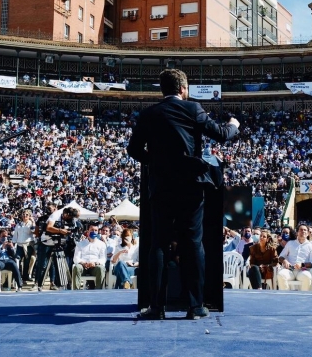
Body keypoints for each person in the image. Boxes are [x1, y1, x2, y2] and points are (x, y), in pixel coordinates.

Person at [128, 69, 239, 320]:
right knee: (192, 243)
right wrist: (233, 125)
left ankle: (156, 307)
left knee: (158, 244)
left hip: (161, 188)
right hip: (190, 186)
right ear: (183, 89)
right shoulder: (192, 109)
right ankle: (195, 305)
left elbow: (133, 149)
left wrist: (155, 164)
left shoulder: (149, 114)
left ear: (163, 90)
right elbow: (221, 135)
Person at [35, 206, 80, 291]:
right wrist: (60, 230)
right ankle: (39, 284)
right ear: (65, 214)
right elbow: (49, 227)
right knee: (43, 265)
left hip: (58, 243)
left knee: (59, 265)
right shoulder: (55, 215)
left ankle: (59, 284)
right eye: (69, 217)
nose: (69, 219)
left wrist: (68, 231)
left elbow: (70, 227)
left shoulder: (70, 219)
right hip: (46, 242)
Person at [277, 224, 312, 291]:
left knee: (307, 276)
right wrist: (285, 261)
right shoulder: (290, 243)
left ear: (307, 233)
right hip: (289, 270)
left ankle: (303, 298)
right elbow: (281, 256)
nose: (303, 231)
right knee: (281, 275)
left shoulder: (311, 246)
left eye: (305, 230)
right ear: (297, 232)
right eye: (301, 230)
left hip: (303, 270)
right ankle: (286, 297)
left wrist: (302, 265)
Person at [72, 223, 107, 289]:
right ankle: (76, 291)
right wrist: (83, 263)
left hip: (95, 266)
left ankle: (98, 291)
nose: (94, 232)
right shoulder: (80, 244)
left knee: (101, 268)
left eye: (96, 230)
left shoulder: (102, 244)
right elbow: (76, 258)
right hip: (83, 266)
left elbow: (103, 259)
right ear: (88, 231)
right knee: (77, 267)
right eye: (92, 230)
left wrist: (95, 263)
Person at [13, 210, 36, 284]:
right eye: (23, 214)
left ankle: (25, 278)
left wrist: (33, 222)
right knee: (17, 260)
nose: (25, 216)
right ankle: (18, 277)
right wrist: (13, 243)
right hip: (19, 245)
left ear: (29, 216)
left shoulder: (30, 224)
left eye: (27, 215)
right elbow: (15, 234)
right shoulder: (19, 224)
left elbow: (33, 230)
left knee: (27, 262)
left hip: (28, 245)